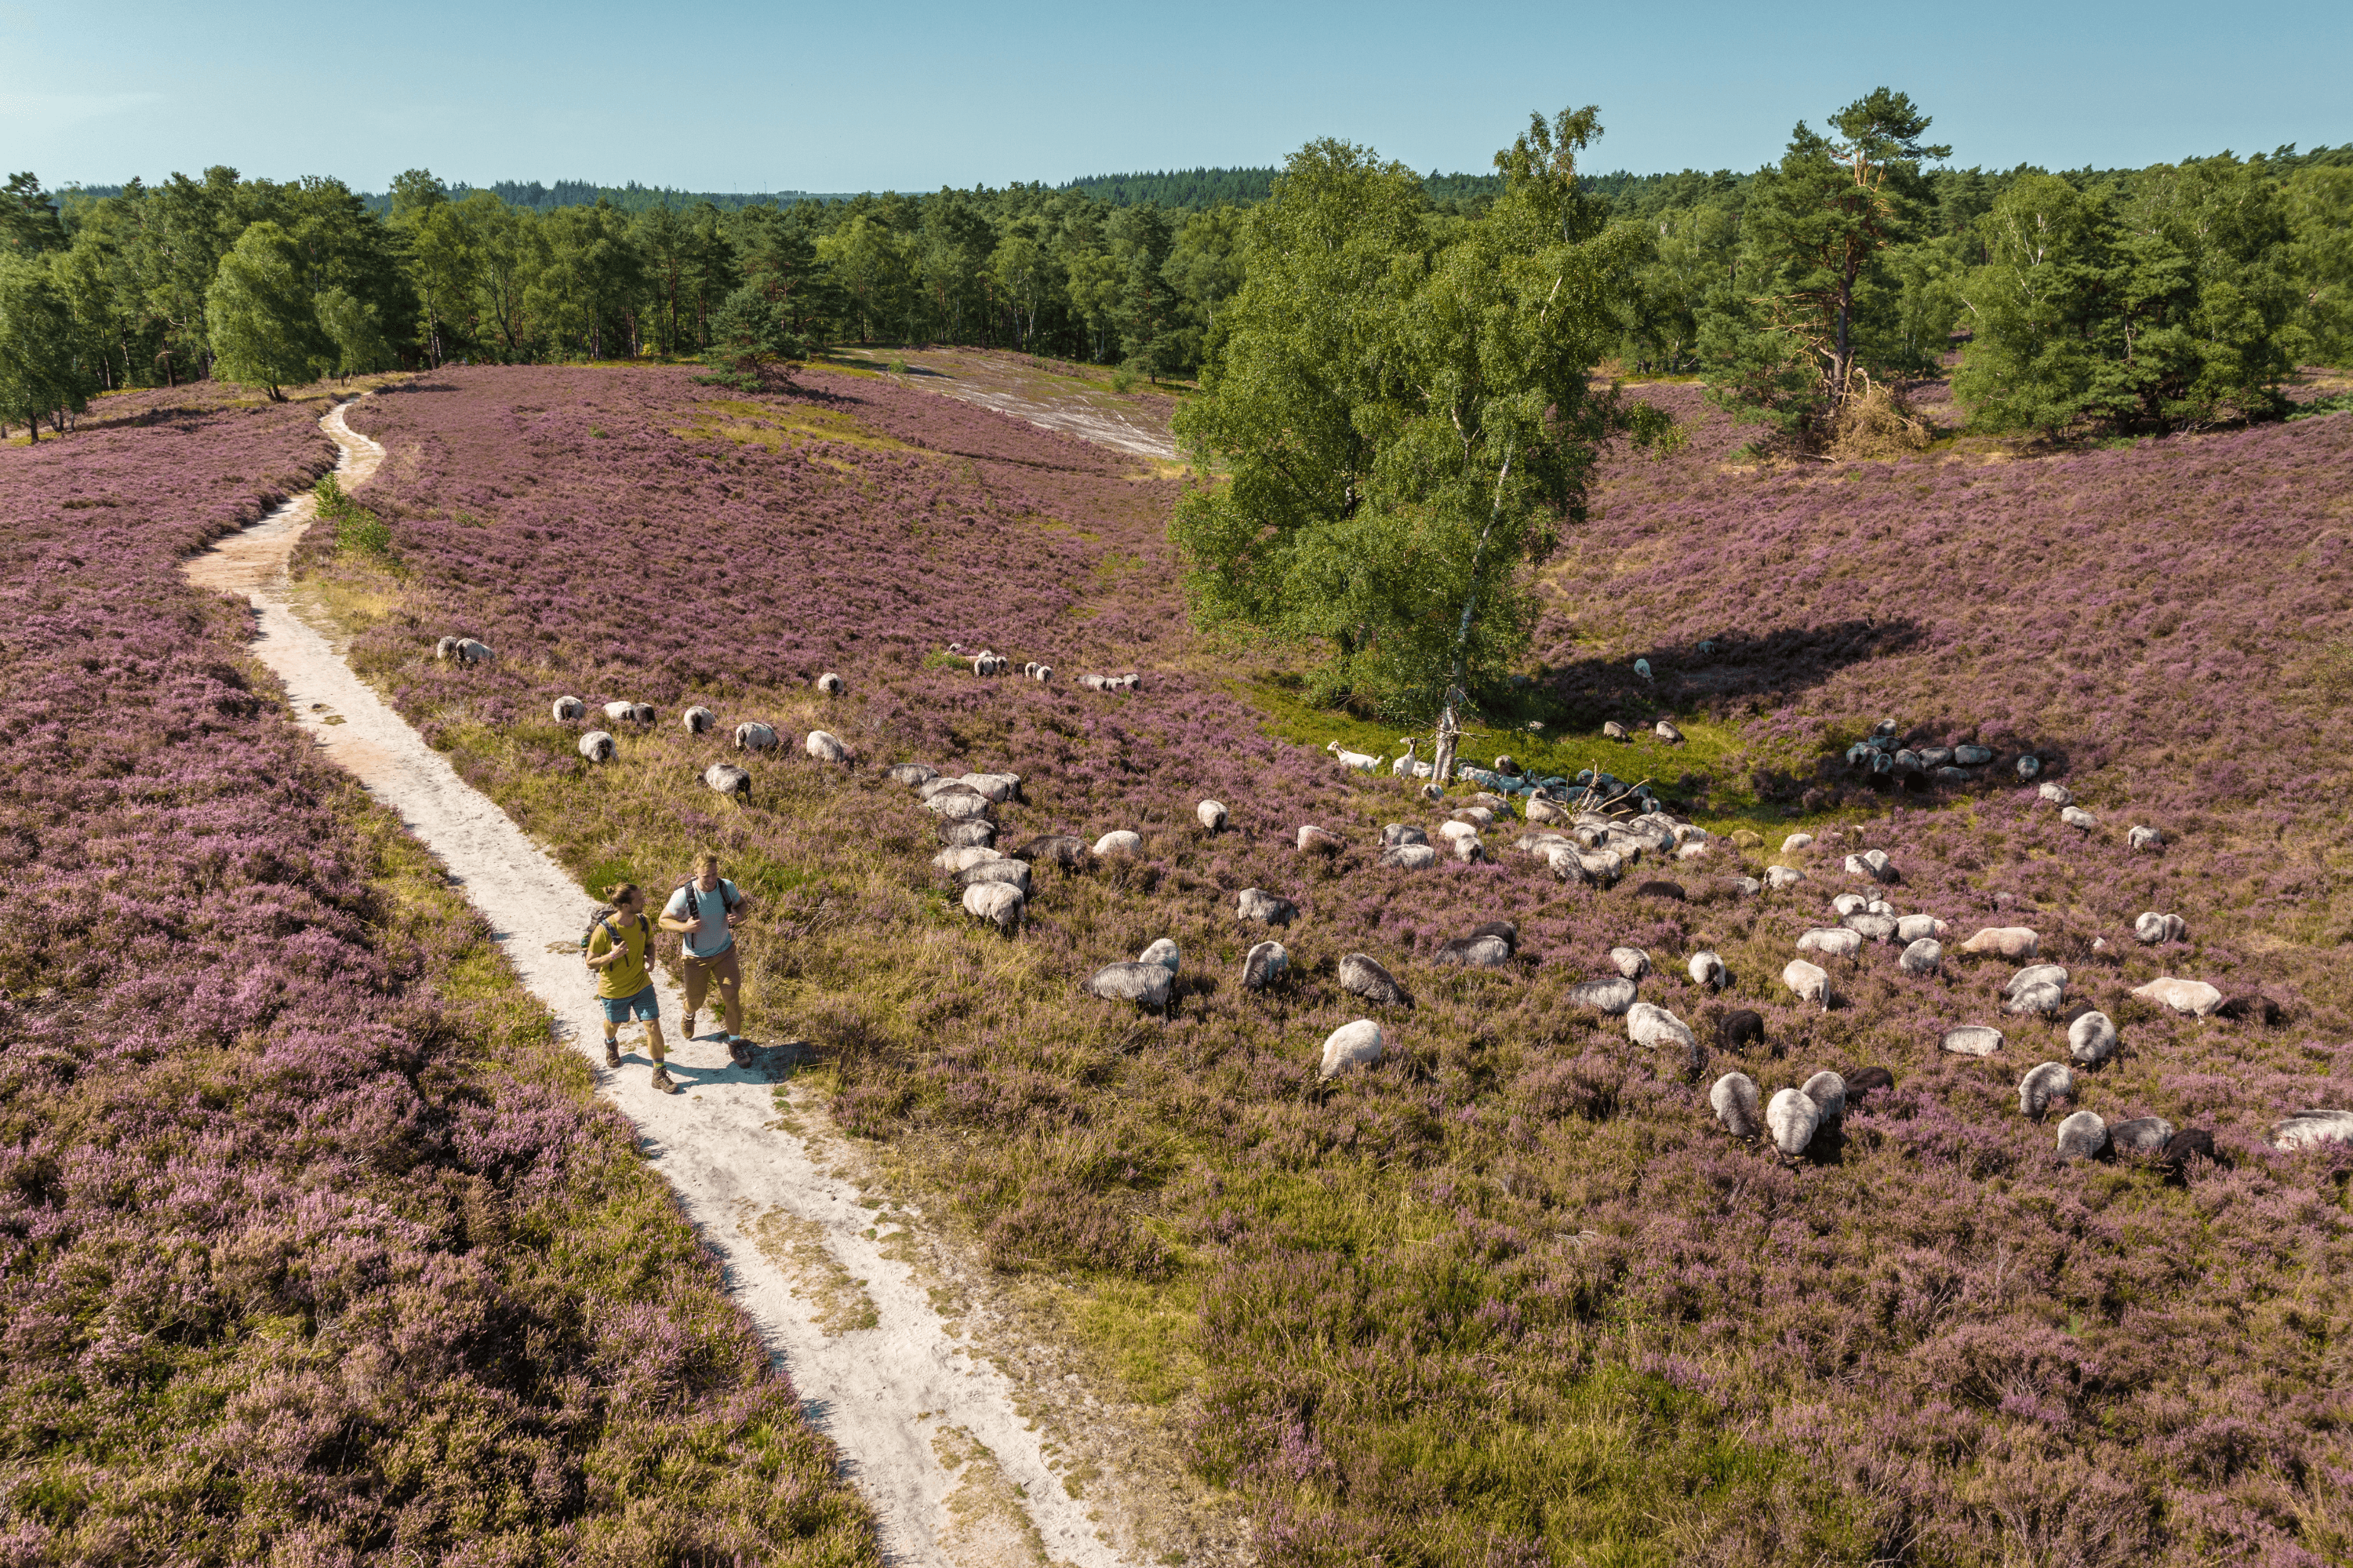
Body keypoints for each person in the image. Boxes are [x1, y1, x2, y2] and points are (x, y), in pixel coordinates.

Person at [661, 853, 755, 1064]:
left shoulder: (726, 887)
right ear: (696, 873)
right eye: (706, 876)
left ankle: (735, 1045)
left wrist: (739, 916)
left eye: (714, 873)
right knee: (696, 1001)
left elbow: (742, 904)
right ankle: (688, 1013)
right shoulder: (684, 895)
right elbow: (663, 921)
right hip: (696, 958)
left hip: (724, 952)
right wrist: (684, 927)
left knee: (732, 998)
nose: (712, 879)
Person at [585, 883, 672, 1093]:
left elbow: (650, 943)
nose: (644, 902)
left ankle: (659, 1072)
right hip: (614, 991)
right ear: (625, 905)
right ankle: (610, 1042)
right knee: (614, 1023)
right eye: (639, 900)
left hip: (642, 985)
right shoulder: (604, 930)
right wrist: (612, 956)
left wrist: (651, 957)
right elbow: (590, 962)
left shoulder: (643, 921)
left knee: (653, 1026)